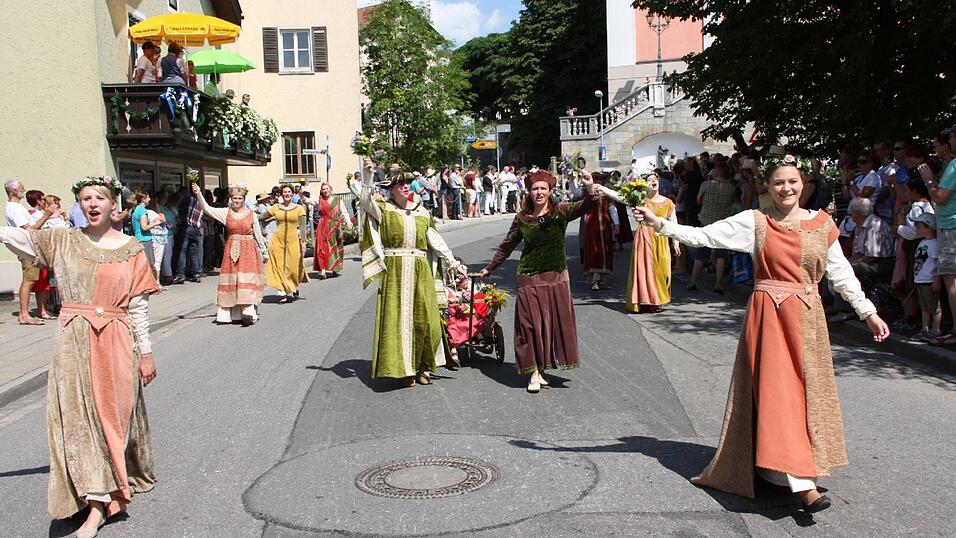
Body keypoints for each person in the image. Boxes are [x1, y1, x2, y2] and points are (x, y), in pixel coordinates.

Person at [633, 158, 890, 512]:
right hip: (769, 317)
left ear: (805, 185)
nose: (786, 188)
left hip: (808, 320)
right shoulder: (756, 222)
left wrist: (868, 312)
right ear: (768, 186)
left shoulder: (822, 224)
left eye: (793, 182)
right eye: (779, 183)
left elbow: (841, 274)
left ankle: (781, 468)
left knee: (803, 396)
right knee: (779, 395)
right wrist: (660, 224)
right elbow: (704, 235)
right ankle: (803, 486)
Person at [0, 175, 159, 535]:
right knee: (76, 423)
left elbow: (138, 308)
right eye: (85, 198)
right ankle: (95, 504)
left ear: (111, 204)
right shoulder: (63, 240)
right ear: (78, 204)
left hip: (117, 342)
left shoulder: (131, 248)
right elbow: (16, 237)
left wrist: (146, 354)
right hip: (72, 342)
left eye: (98, 198)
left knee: (111, 421)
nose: (92, 204)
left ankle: (109, 495)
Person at [480, 170, 598, 393]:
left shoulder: (561, 211)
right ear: (529, 192)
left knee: (551, 325)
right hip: (529, 276)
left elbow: (590, 203)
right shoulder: (523, 218)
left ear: (550, 191)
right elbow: (506, 245)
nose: (539, 192)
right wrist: (489, 268)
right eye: (535, 188)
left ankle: (542, 368)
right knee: (529, 325)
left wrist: (589, 186)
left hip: (556, 277)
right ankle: (533, 372)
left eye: (543, 188)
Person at [359, 165, 465, 387]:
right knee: (398, 321)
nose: (406, 186)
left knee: (427, 320)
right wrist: (367, 173)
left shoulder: (422, 211)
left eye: (407, 182)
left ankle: (424, 365)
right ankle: (406, 370)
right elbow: (365, 201)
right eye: (400, 184)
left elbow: (435, 241)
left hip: (420, 269)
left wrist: (453, 263)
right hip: (395, 270)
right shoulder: (384, 209)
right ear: (392, 190)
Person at [602, 172, 680, 312]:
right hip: (645, 237)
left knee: (664, 270)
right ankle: (649, 301)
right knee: (647, 269)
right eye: (649, 180)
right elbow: (620, 197)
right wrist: (603, 189)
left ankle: (657, 298)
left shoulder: (668, 203)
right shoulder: (641, 200)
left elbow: (674, 223)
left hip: (661, 238)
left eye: (655, 179)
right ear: (645, 185)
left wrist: (676, 243)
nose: (653, 181)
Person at [191, 183, 267, 325]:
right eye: (234, 198)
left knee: (247, 279)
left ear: (244, 199)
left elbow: (258, 234)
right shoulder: (226, 212)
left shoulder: (251, 215)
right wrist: (199, 194)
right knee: (232, 280)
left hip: (249, 250)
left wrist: (264, 252)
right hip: (231, 249)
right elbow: (207, 209)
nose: (236, 201)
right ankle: (232, 313)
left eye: (239, 198)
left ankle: (248, 311)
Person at [919, 125, 956, 345]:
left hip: (950, 226)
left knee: (952, 280)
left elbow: (940, 198)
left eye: (952, 138)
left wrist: (928, 179)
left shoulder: (954, 165)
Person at [5, 179, 56, 324]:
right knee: (29, 280)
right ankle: (24, 315)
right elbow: (30, 230)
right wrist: (46, 215)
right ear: (13, 190)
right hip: (26, 248)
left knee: (33, 280)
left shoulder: (17, 207)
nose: (24, 189)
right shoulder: (14, 208)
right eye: (21, 187)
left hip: (31, 248)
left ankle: (29, 313)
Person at [689, 161, 737, 293]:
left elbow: (699, 200)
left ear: (718, 171)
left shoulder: (706, 184)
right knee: (721, 254)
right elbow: (732, 202)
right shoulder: (731, 187)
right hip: (723, 223)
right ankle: (718, 284)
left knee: (701, 253)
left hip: (706, 221)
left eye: (715, 169)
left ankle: (693, 281)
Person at [262, 184, 308, 303]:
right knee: (279, 265)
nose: (287, 194)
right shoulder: (276, 207)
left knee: (292, 266)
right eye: (284, 192)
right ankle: (282, 291)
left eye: (289, 192)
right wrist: (248, 216)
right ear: (281, 194)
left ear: (292, 193)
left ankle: (294, 285)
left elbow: (302, 228)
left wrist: (303, 242)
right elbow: (262, 216)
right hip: (278, 239)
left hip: (293, 239)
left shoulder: (299, 208)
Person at [581, 172, 618, 290]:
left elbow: (612, 208)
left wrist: (616, 223)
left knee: (602, 249)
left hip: (603, 225)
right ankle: (596, 279)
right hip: (592, 225)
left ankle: (598, 277)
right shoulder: (587, 193)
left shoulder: (605, 194)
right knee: (594, 249)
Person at [910, 213, 941, 340]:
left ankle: (936, 329)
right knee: (924, 307)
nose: (916, 228)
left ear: (928, 227)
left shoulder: (934, 244)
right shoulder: (922, 242)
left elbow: (938, 263)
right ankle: (925, 328)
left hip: (929, 280)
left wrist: (937, 280)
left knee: (934, 306)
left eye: (919, 226)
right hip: (920, 279)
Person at [313, 182, 352, 279]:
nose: (325, 190)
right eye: (323, 189)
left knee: (334, 247)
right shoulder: (319, 200)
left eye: (327, 188)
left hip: (334, 226)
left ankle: (334, 267)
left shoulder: (338, 200)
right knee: (322, 247)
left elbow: (344, 211)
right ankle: (322, 270)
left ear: (330, 189)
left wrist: (348, 222)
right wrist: (301, 194)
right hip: (322, 226)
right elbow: (308, 200)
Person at [173, 185, 204, 284]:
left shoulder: (187, 200)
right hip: (196, 229)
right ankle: (196, 273)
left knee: (182, 250)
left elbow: (181, 212)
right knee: (193, 251)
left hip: (186, 227)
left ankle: (180, 274)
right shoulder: (201, 202)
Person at [131, 191, 162, 274]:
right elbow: (144, 227)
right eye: (148, 197)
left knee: (142, 264)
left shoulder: (136, 209)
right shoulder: (142, 211)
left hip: (139, 238)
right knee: (149, 263)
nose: (149, 199)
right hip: (145, 239)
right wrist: (155, 223)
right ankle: (149, 284)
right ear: (143, 199)